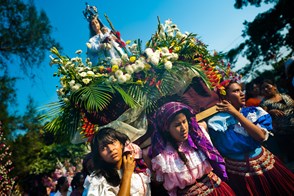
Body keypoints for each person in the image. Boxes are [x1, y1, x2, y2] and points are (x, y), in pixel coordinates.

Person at [207, 80, 294, 195]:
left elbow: (261, 136)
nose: (242, 93)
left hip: (264, 165)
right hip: (238, 173)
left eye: (241, 90)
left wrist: (236, 114)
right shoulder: (216, 123)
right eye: (236, 91)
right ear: (225, 97)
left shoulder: (254, 112)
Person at [148, 101, 235, 196]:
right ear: (167, 128)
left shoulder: (199, 138)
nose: (183, 128)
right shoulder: (163, 157)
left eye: (184, 122)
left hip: (217, 191)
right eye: (177, 125)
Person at [84, 128, 151, 195]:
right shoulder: (99, 180)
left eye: (112, 143)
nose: (110, 149)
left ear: (121, 144)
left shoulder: (137, 167)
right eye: (103, 148)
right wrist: (127, 173)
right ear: (99, 156)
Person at [259, 79, 294, 165]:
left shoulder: (285, 96)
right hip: (283, 134)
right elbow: (262, 118)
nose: (266, 89)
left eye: (267, 86)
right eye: (263, 88)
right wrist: (270, 113)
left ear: (274, 86)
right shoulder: (264, 103)